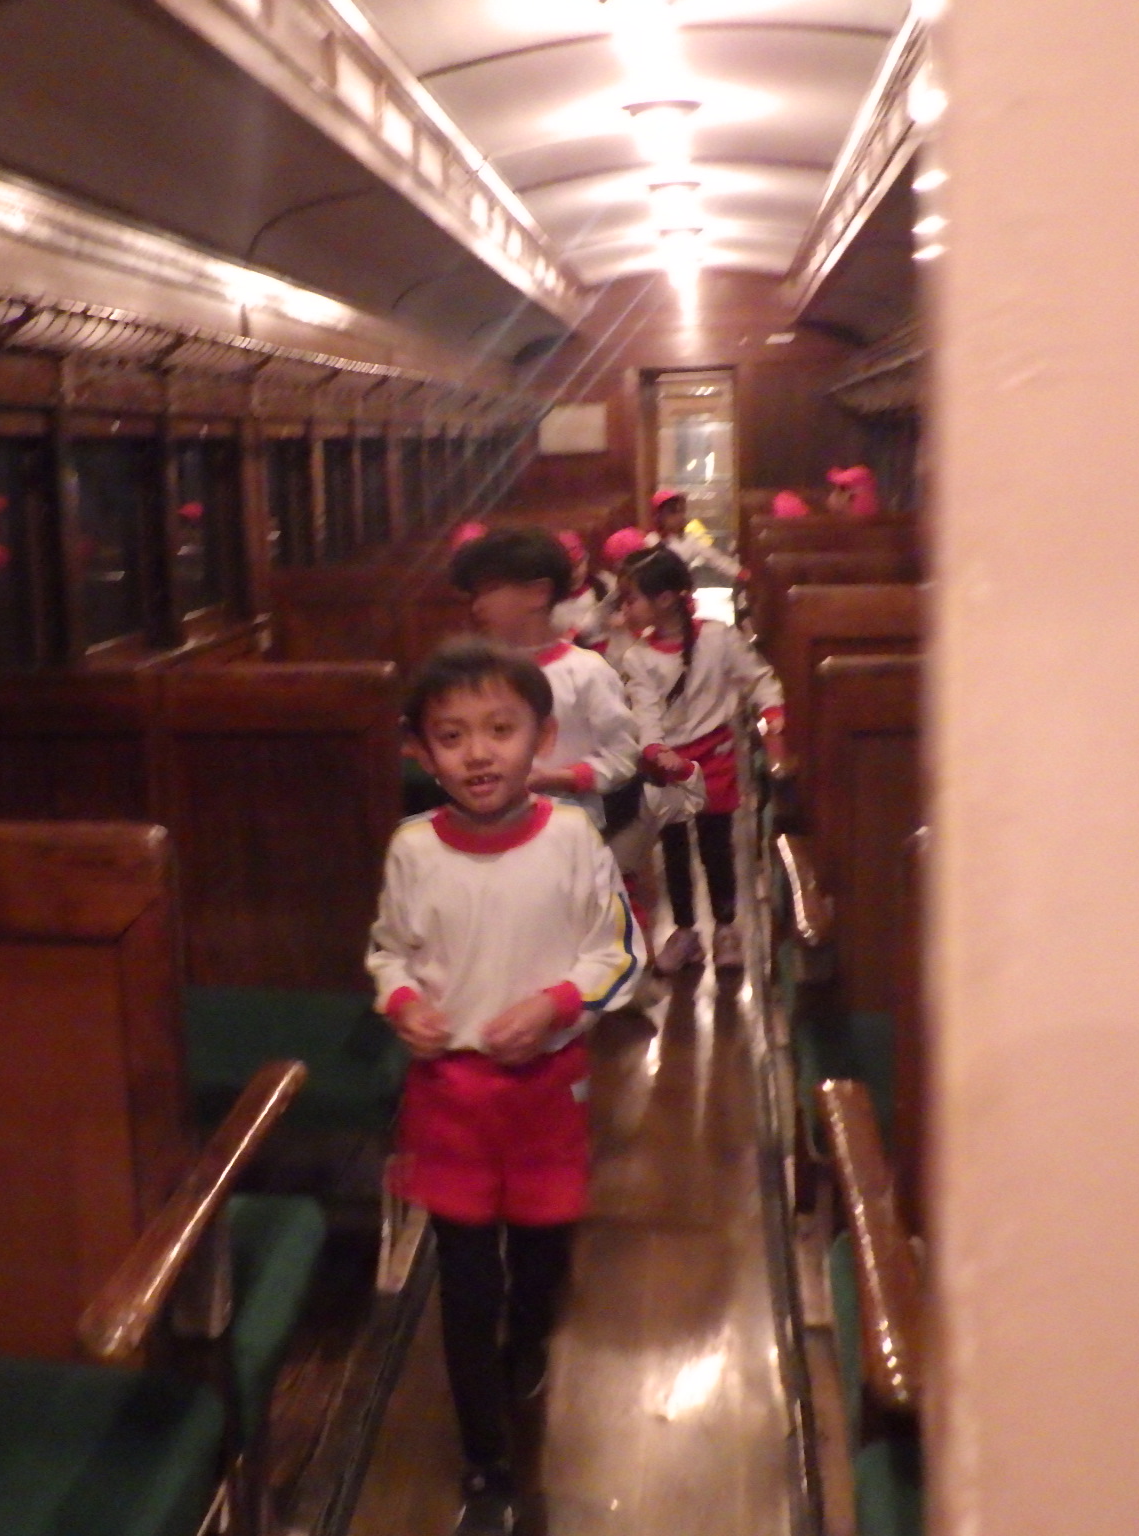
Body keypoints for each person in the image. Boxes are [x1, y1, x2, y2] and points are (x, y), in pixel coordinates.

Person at [368, 637, 643, 1534]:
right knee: (463, 1283)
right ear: (421, 751)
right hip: (448, 1095)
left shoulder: (571, 837)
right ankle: (485, 1463)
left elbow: (618, 953)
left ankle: (528, 1348)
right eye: (452, 737)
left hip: (547, 1091)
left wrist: (556, 1001)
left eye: (500, 730)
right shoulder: (413, 847)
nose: (478, 753)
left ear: (542, 738)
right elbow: (389, 950)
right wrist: (402, 1000)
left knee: (542, 1261)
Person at [614, 546, 784, 973]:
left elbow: (758, 677)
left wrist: (771, 710)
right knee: (672, 850)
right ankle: (686, 930)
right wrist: (655, 749)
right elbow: (645, 711)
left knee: (716, 846)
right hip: (666, 764)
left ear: (664, 599)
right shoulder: (638, 657)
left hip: (715, 757)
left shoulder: (718, 637)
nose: (624, 609)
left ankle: (726, 927)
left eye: (631, 599)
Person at [450, 527, 637, 829]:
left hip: (573, 829)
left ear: (538, 593)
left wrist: (559, 777)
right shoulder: (477, 674)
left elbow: (622, 754)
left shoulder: (585, 670)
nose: (477, 605)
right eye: (475, 593)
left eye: (491, 589)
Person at [650, 488, 742, 583]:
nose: (679, 516)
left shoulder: (690, 540)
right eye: (672, 511)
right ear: (659, 515)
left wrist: (740, 573)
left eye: (681, 510)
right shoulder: (650, 542)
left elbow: (715, 558)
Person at [548, 528, 608, 645]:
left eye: (579, 564)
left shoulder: (604, 584)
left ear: (586, 559)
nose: (575, 574)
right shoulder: (550, 602)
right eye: (569, 569)